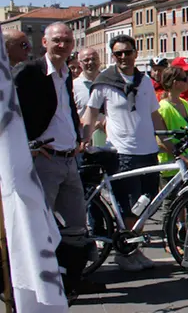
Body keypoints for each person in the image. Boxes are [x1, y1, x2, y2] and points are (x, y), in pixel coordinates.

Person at [12, 22, 104, 297]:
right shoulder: (29, 72)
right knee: (40, 227)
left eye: (67, 40)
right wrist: (26, 144)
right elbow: (9, 111)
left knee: (76, 227)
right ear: (45, 42)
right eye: (57, 40)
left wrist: (78, 137)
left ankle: (73, 281)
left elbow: (65, 110)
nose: (62, 45)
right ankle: (37, 288)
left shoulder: (65, 74)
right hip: (44, 159)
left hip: (68, 158)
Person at [81, 34, 174, 272]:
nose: (123, 57)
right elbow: (91, 113)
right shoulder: (105, 81)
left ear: (135, 53)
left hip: (148, 152)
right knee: (128, 207)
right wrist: (82, 139)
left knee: (146, 205)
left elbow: (155, 115)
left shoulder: (144, 81)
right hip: (122, 153)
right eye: (118, 53)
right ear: (113, 56)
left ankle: (132, 249)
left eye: (127, 52)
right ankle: (125, 253)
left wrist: (170, 143)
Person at [156, 66, 188, 224]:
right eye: (185, 78)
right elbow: (160, 140)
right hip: (172, 163)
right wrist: (178, 156)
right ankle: (169, 237)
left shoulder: (184, 103)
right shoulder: (163, 107)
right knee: (171, 203)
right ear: (175, 83)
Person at [72, 47, 106, 147]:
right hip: (84, 143)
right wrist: (89, 123)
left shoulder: (109, 83)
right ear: (79, 63)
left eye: (94, 59)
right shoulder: (73, 86)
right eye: (86, 60)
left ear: (99, 61)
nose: (90, 62)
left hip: (110, 141)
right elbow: (70, 114)